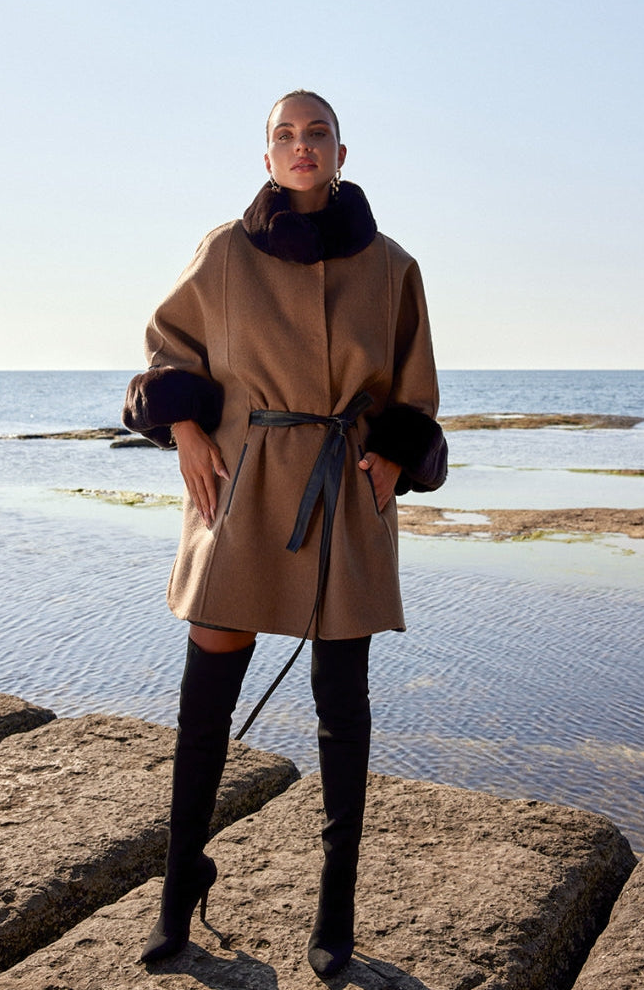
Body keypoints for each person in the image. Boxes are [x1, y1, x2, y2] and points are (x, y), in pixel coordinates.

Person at [122, 89, 446, 978]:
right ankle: (178, 886)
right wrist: (184, 428)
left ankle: (335, 910)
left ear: (341, 152)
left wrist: (393, 459)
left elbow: (415, 388)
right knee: (205, 703)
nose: (302, 146)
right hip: (242, 482)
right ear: (266, 156)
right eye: (285, 135)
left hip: (346, 491)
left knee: (342, 708)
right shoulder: (225, 251)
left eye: (317, 133)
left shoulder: (393, 265)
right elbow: (167, 346)